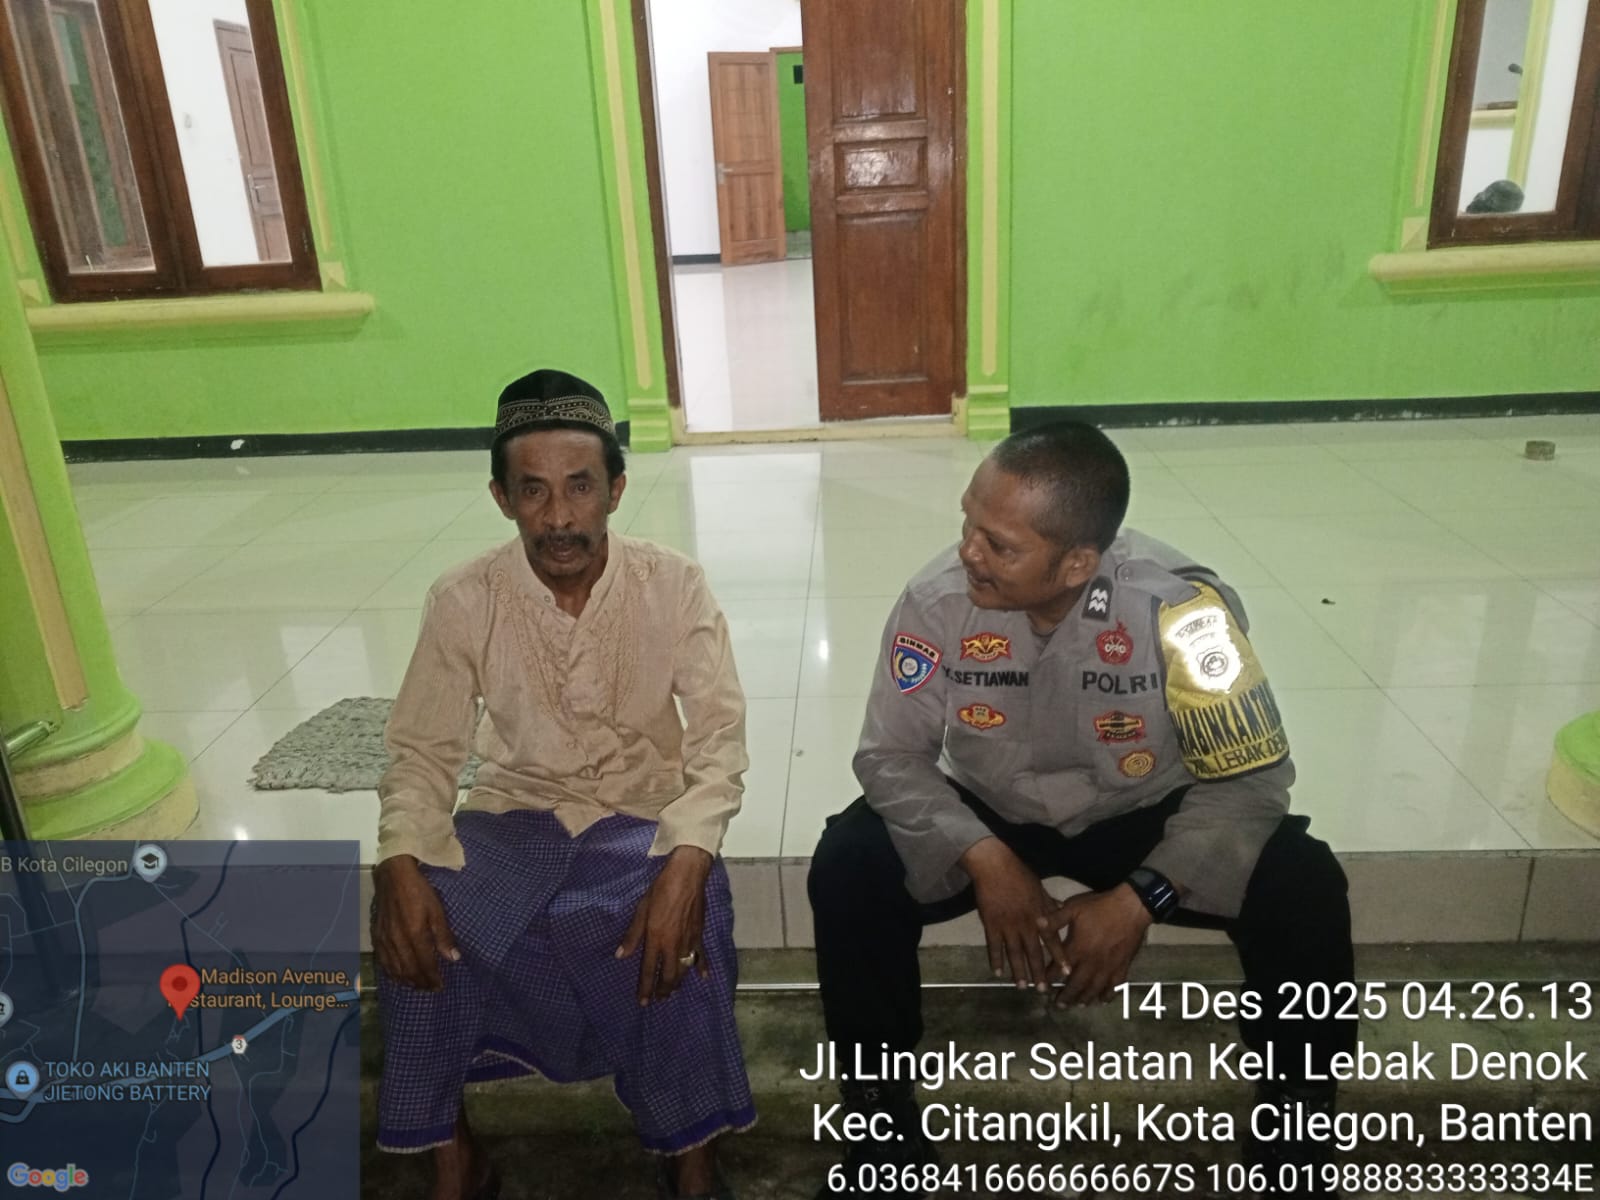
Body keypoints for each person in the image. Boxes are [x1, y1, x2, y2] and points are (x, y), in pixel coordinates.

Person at [808, 422, 1355, 1197]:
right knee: (847, 867)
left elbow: (1254, 777)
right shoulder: (938, 600)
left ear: (1077, 563)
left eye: (999, 545)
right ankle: (881, 1130)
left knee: (1305, 885)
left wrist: (1142, 898)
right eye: (968, 524)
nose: (968, 553)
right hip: (990, 808)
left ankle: (1296, 1145)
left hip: (1143, 810)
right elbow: (889, 756)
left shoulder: (1184, 612)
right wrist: (985, 858)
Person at [373, 369, 754, 1200]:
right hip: (513, 819)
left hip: (641, 816)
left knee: (693, 912)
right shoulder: (463, 598)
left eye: (579, 486)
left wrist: (688, 857)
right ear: (501, 499)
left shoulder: (673, 584)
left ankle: (692, 1157)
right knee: (415, 915)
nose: (558, 517)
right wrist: (398, 858)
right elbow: (423, 751)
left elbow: (719, 739)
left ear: (615, 489)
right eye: (533, 491)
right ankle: (456, 1161)